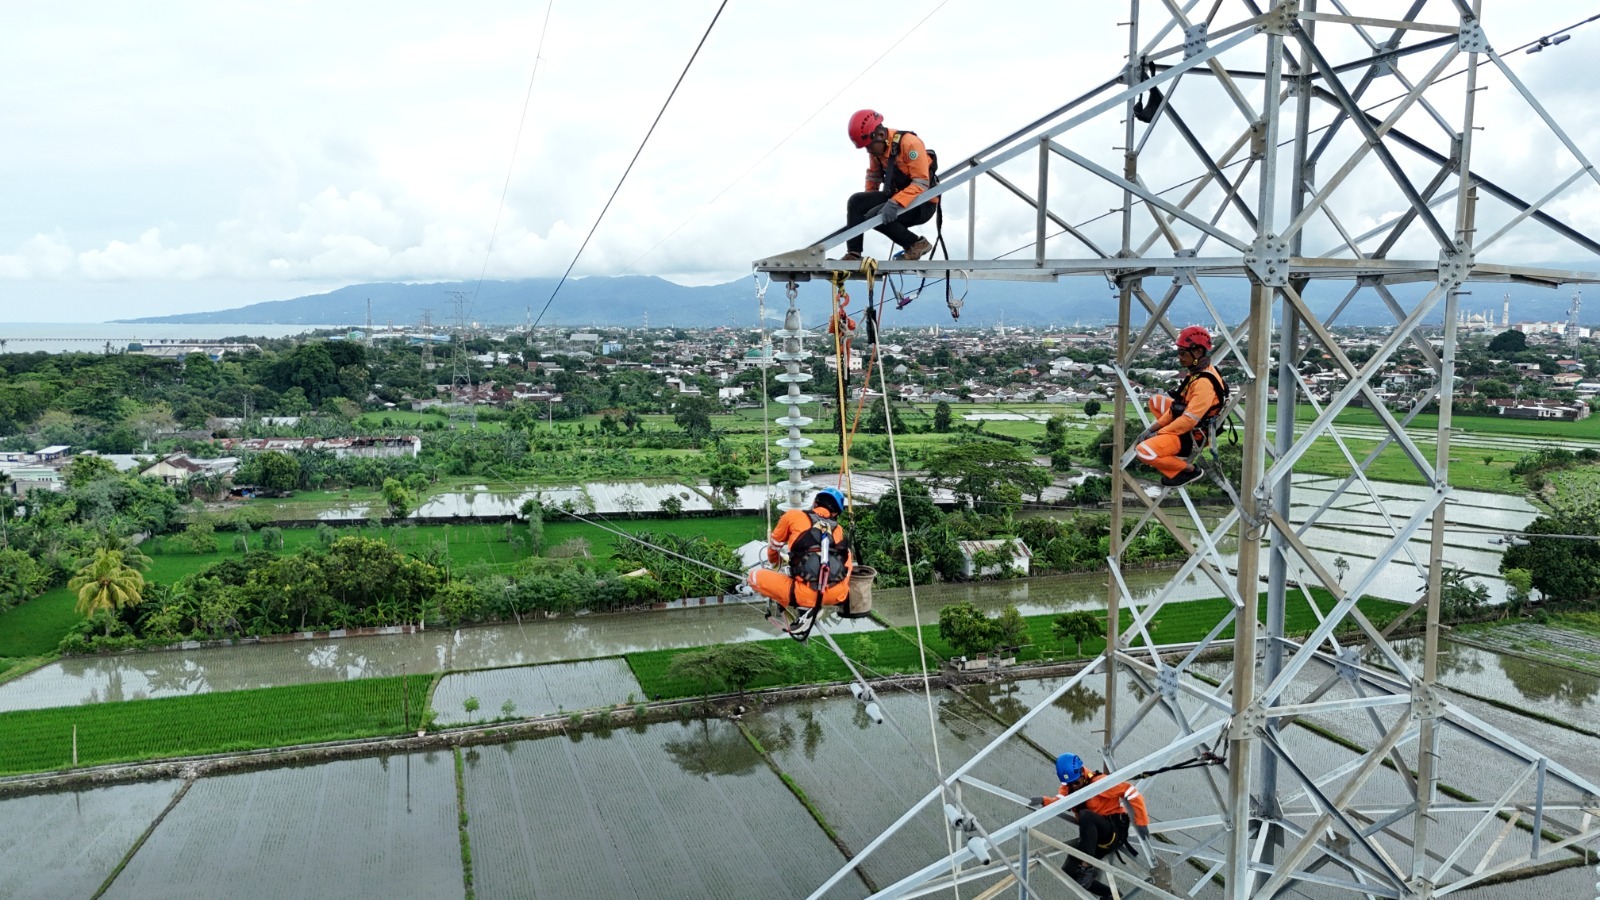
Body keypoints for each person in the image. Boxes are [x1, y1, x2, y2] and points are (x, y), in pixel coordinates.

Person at [1029, 752, 1151, 897]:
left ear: (1082, 773)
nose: (1073, 787)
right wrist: (1044, 800)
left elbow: (1131, 792)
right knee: (1070, 871)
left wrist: (1141, 822)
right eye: (1069, 784)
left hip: (1112, 832)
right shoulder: (1068, 787)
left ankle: (1087, 868)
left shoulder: (1099, 783)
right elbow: (1060, 802)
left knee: (1085, 816)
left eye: (1076, 783)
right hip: (1094, 840)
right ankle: (1111, 895)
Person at [1134, 325, 1227, 488]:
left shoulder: (1204, 383)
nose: (1179, 357)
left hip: (1193, 435)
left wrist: (1158, 433)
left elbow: (1188, 421)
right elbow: (1177, 406)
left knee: (1144, 452)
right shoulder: (1198, 371)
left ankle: (1189, 470)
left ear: (1197, 352)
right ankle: (1166, 441)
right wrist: (1151, 429)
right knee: (1155, 401)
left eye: (1183, 353)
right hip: (1188, 422)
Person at [842, 109, 937, 263]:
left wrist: (894, 203)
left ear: (879, 135)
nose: (868, 150)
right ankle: (853, 254)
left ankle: (916, 244)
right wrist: (869, 200)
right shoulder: (876, 151)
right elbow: (874, 176)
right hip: (896, 196)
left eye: (869, 146)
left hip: (922, 203)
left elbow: (921, 182)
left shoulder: (910, 144)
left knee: (875, 216)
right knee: (856, 201)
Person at [746, 487, 853, 623]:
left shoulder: (793, 516)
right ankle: (816, 602)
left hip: (803, 594)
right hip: (838, 595)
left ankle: (807, 606)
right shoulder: (838, 530)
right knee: (847, 553)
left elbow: (774, 547)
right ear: (835, 514)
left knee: (754, 576)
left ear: (814, 504)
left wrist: (774, 564)